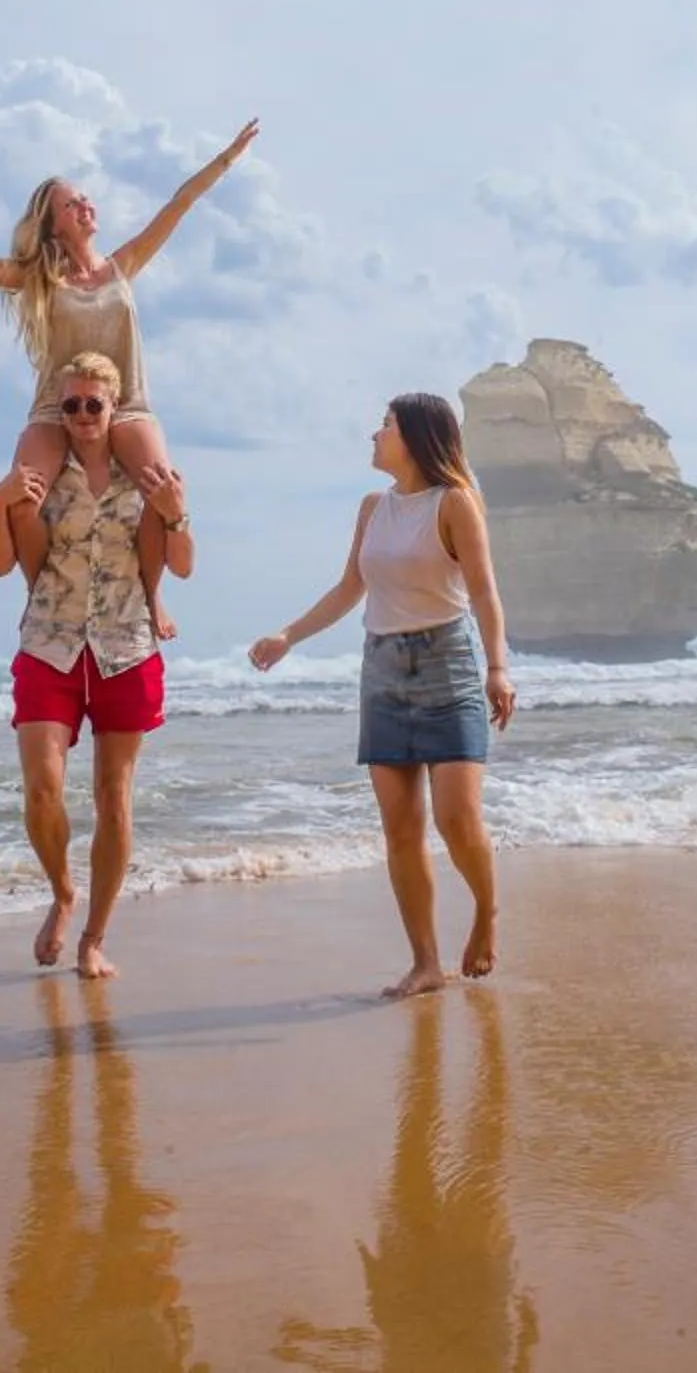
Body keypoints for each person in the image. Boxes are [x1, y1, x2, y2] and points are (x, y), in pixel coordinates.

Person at [0, 117, 257, 636]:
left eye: (85, 199)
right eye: (71, 203)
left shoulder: (124, 265)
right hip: (58, 408)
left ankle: (152, 598)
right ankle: (40, 596)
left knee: (161, 487)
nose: (85, 206)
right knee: (24, 497)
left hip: (128, 404)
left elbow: (179, 204)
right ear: (54, 224)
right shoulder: (38, 279)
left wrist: (228, 157)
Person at [250, 394, 516, 998]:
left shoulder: (455, 503)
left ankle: (485, 912)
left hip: (447, 664)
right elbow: (351, 587)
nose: (374, 434)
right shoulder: (373, 507)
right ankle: (425, 962)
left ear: (416, 437)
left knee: (457, 817)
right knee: (400, 828)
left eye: (386, 426)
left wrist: (497, 668)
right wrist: (289, 634)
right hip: (383, 671)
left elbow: (484, 593)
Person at [0, 350, 194, 981]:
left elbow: (182, 563)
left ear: (113, 407)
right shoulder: (42, 478)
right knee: (43, 787)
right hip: (49, 641)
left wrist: (177, 512)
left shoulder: (148, 478)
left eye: (92, 404)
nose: (80, 416)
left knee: (114, 798)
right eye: (69, 405)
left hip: (125, 647)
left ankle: (95, 938)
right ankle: (61, 892)